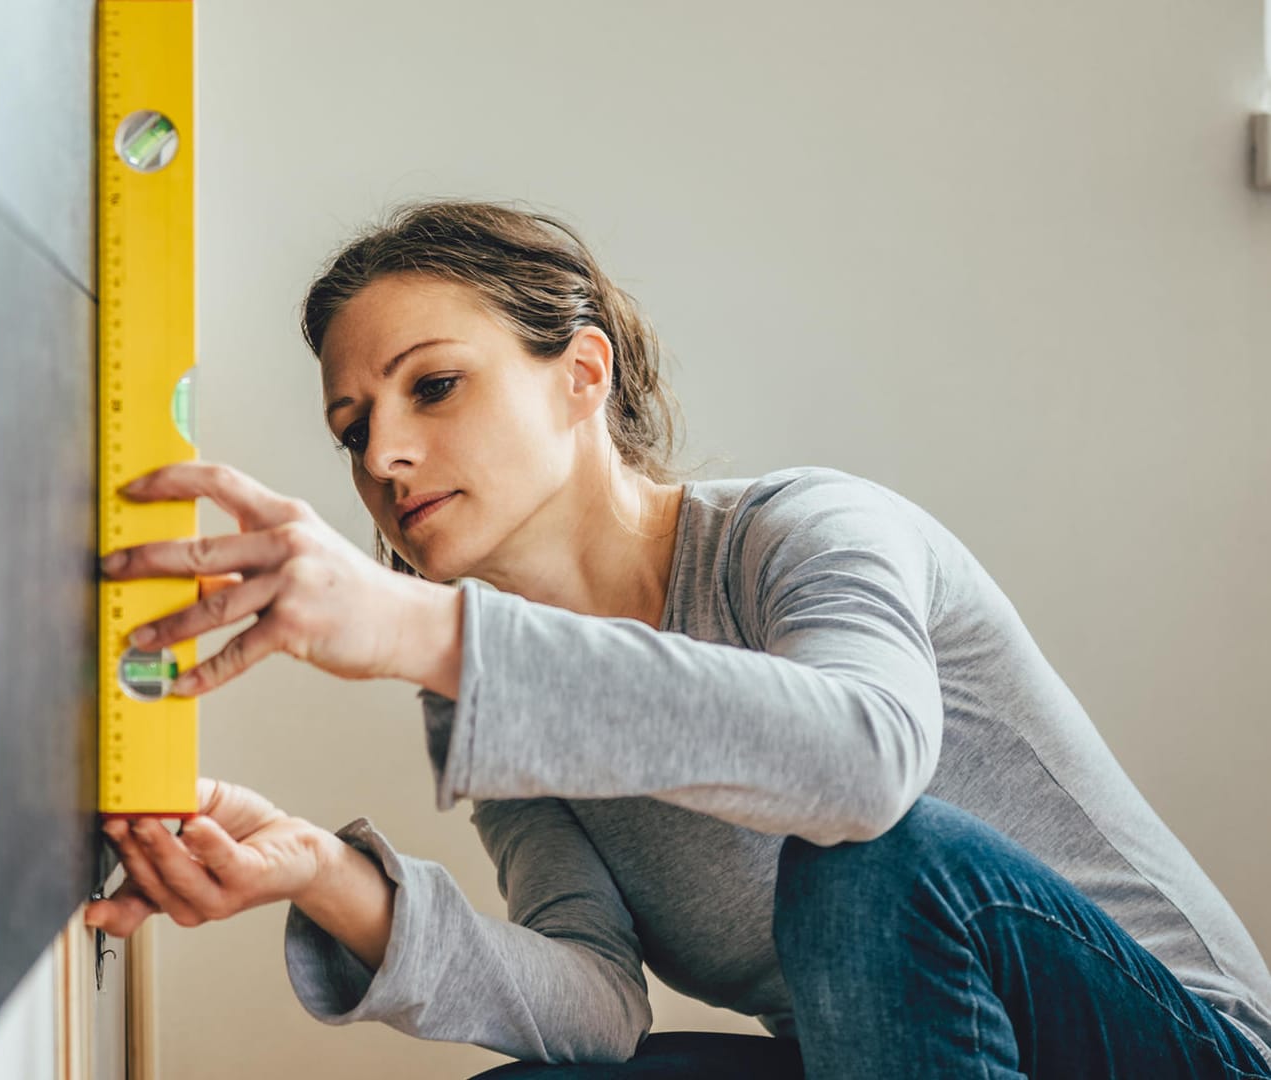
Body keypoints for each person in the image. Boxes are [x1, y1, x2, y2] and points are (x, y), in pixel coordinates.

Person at [82, 199, 1271, 1078]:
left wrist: (418, 626)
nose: (384, 456)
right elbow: (596, 1004)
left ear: (580, 374)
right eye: (354, 426)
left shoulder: (804, 532)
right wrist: (322, 874)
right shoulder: (485, 685)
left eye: (433, 387)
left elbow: (864, 769)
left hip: (1188, 1050)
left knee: (863, 858)